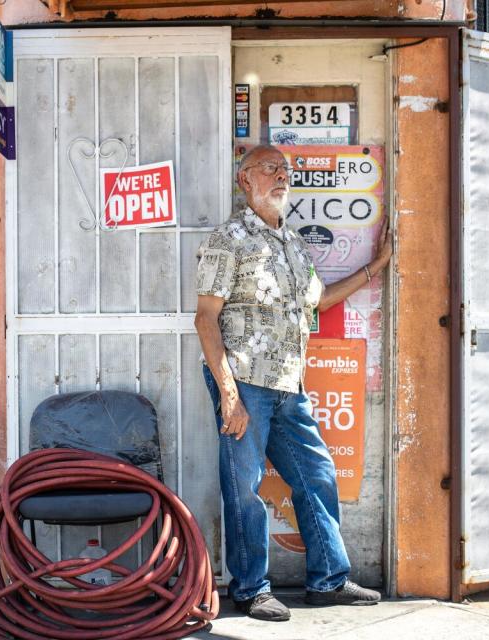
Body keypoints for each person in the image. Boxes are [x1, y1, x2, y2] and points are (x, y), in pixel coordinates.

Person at [194, 144, 393, 622]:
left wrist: (377, 265)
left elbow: (318, 302)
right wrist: (228, 394)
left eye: (286, 170)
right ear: (245, 181)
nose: (282, 177)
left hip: (289, 385)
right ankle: (250, 588)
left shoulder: (293, 242)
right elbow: (205, 320)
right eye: (270, 169)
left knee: (317, 475)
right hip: (245, 382)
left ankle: (328, 580)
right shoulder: (229, 239)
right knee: (246, 486)